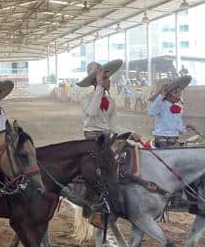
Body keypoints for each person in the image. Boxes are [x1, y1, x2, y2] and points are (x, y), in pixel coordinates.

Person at [77, 59, 138, 226]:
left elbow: (114, 126)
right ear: (96, 81)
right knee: (100, 171)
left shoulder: (111, 102)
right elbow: (91, 112)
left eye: (108, 78)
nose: (109, 81)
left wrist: (131, 133)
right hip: (91, 139)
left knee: (126, 159)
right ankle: (95, 210)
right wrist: (98, 88)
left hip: (106, 138)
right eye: (105, 78)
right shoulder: (86, 99)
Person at [148, 76, 194, 147]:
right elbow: (151, 112)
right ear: (167, 94)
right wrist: (161, 96)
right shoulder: (160, 104)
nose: (179, 95)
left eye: (179, 93)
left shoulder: (177, 108)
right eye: (176, 93)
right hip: (161, 138)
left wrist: (185, 128)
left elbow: (178, 127)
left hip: (173, 138)